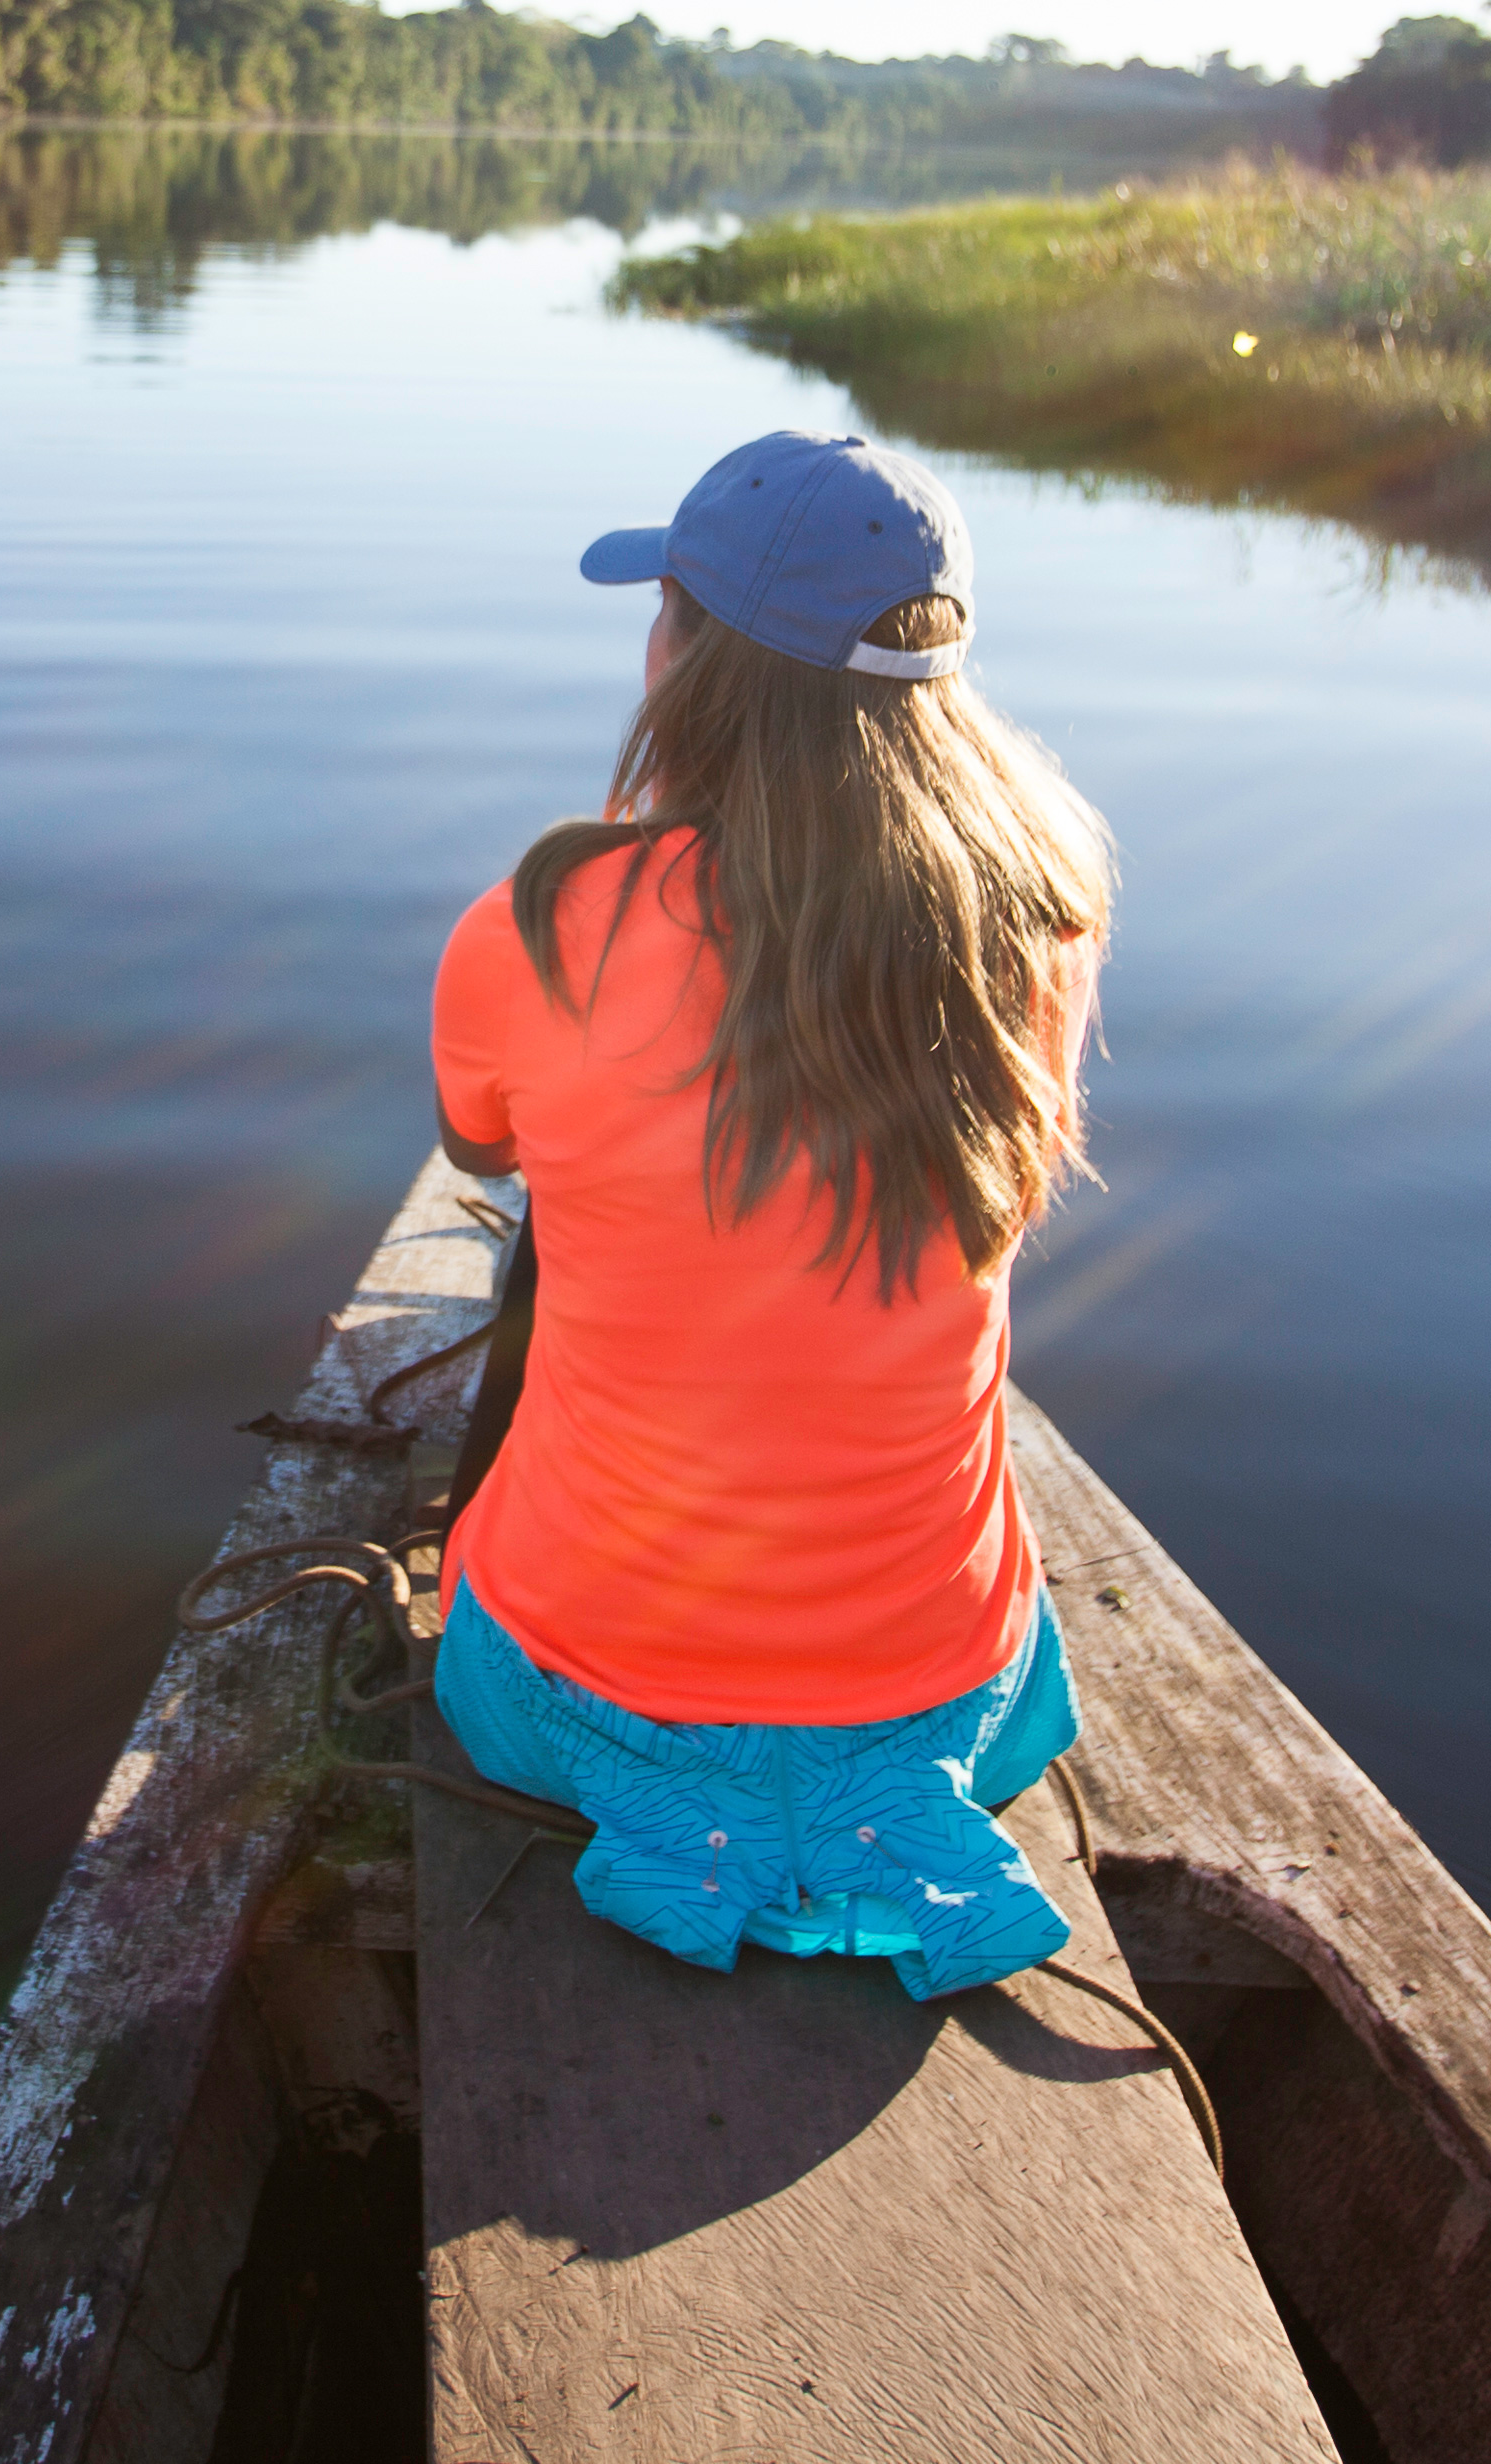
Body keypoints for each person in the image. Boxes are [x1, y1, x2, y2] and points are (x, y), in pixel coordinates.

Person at [425, 427, 1116, 1998]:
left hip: (570, 1696)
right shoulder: (1043, 919)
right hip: (952, 1704)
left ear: (692, 660)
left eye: (663, 608)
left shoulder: (538, 930)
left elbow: (478, 1145)